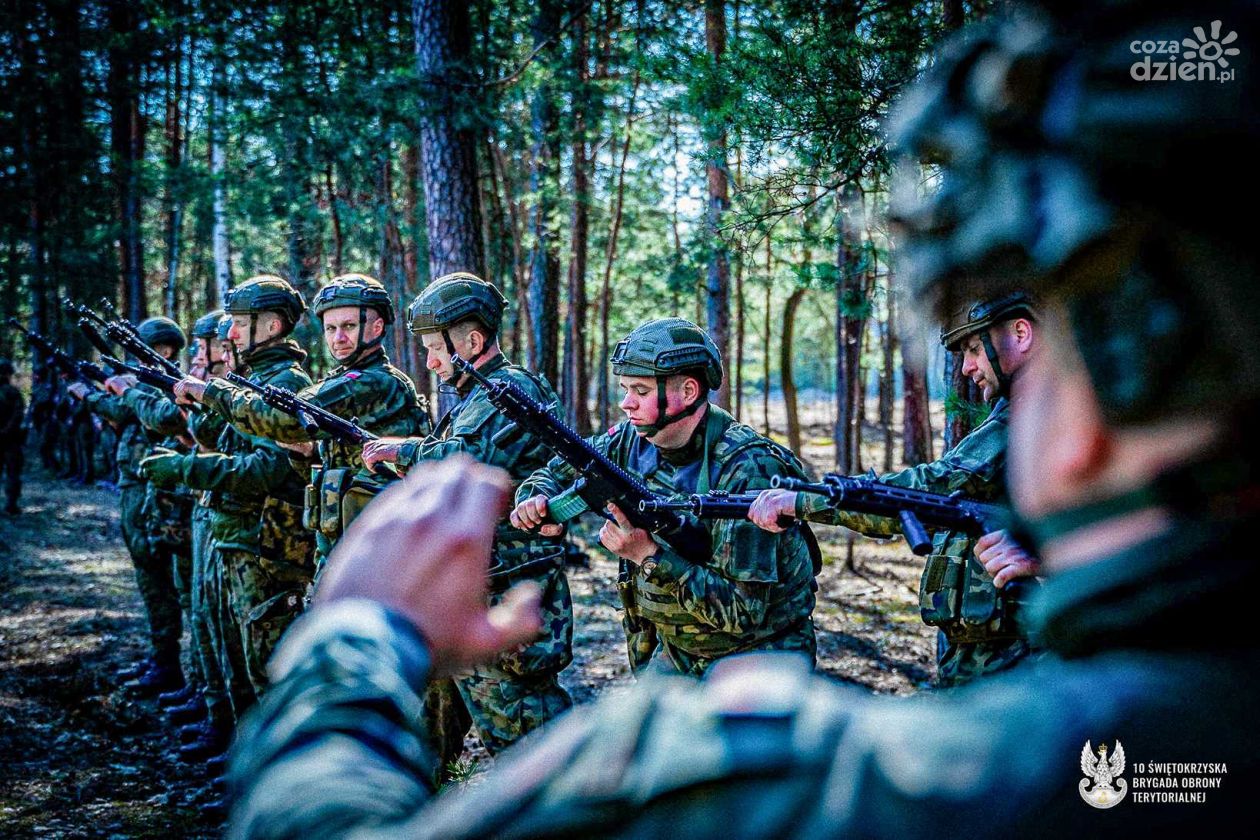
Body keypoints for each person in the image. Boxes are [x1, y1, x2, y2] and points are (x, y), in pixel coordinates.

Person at [228, 1, 1258, 835]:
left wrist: (358, 642)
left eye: (1037, 339)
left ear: (1091, 407)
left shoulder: (812, 787)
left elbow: (311, 820)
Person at [749, 293, 1040, 687]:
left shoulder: (1038, 414)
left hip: (1018, 659)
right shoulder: (1017, 411)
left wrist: (802, 501)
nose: (967, 367)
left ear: (1021, 333)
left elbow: (935, 486)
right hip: (986, 648)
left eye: (974, 349)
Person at [512, 318, 818, 676]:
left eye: (640, 392)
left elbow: (743, 614)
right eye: (625, 389)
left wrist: (646, 554)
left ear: (688, 392)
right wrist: (536, 498)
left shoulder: (747, 468)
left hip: (757, 662)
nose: (626, 404)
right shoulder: (629, 439)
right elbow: (555, 470)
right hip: (676, 652)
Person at [360, 272, 574, 767]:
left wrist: (404, 449)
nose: (430, 362)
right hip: (477, 588)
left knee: (531, 751)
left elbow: (468, 457)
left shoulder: (509, 389)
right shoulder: (478, 396)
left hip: (509, 591)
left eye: (436, 348)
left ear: (472, 342)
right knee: (431, 736)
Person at [146, 279, 316, 764]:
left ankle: (280, 778)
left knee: (267, 668)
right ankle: (247, 759)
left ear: (273, 326)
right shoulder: (246, 382)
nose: (232, 337)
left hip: (268, 544)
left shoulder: (284, 386)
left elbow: (266, 469)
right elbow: (221, 438)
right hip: (239, 535)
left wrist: (185, 468)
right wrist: (195, 405)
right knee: (236, 654)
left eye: (240, 326)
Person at [175, 273, 432, 576]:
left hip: (380, 551)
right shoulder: (342, 380)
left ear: (376, 328)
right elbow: (324, 463)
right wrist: (304, 454)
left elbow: (285, 416)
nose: (338, 338)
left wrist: (210, 391)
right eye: (330, 328)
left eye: (349, 326)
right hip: (347, 543)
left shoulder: (373, 381)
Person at [68, 317, 189, 694]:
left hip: (153, 490)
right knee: (149, 578)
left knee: (158, 579)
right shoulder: (150, 382)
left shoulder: (164, 384)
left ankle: (169, 664)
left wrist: (89, 395)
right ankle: (161, 658)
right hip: (138, 484)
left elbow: (129, 412)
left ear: (164, 349)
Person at [0, 359, 25, 515]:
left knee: (12, 472)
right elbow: (18, 415)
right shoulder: (12, 392)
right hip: (10, 440)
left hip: (9, 438)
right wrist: (6, 431)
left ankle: (11, 504)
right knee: (12, 472)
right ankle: (11, 504)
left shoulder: (12, 392)